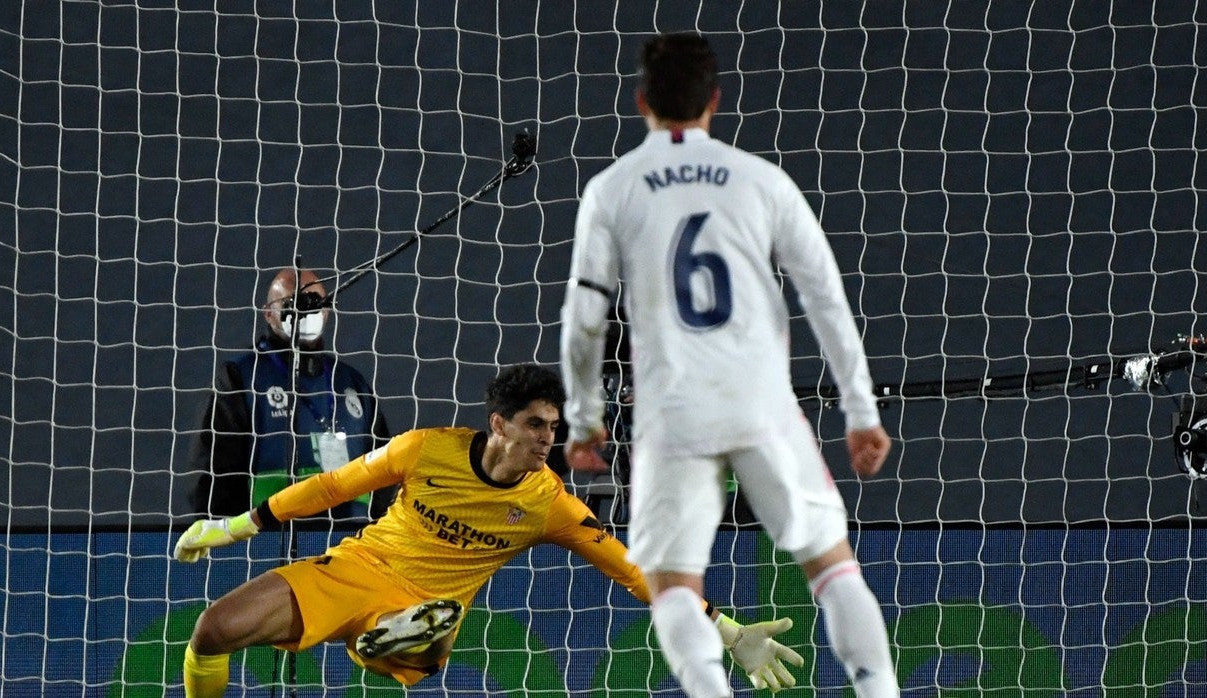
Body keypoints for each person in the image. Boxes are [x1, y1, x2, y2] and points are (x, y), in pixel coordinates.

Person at [559, 33, 899, 697]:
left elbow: (585, 316)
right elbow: (825, 297)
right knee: (833, 567)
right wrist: (861, 412)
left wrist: (584, 417)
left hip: (672, 415)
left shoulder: (612, 188)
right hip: (762, 407)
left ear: (642, 103)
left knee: (674, 587)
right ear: (715, 100)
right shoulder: (761, 180)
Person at [172, 364, 804, 696]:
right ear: (500, 424)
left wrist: (727, 630)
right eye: (535, 425)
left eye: (553, 427)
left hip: (428, 607)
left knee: (431, 626)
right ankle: (384, 634)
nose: (548, 438)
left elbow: (634, 570)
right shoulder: (425, 448)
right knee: (213, 631)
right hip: (359, 568)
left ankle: (400, 638)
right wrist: (233, 527)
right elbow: (332, 486)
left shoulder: (549, 504)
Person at [188, 267, 394, 523]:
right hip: (269, 538)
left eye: (314, 304)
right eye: (291, 304)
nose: (305, 313)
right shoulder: (241, 378)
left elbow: (386, 470)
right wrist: (234, 537)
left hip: (352, 538)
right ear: (268, 313)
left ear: (327, 311)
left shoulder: (352, 383)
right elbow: (211, 476)